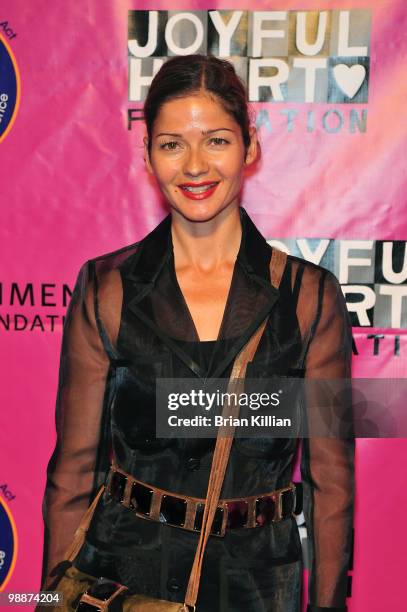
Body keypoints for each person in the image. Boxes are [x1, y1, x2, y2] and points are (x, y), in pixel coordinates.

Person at [40, 54, 354, 611]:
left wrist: (327, 605)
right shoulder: (108, 289)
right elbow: (73, 472)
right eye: (170, 144)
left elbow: (331, 485)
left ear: (249, 147)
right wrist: (49, 599)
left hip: (257, 585)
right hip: (122, 576)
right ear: (147, 155)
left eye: (215, 140)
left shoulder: (309, 296)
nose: (194, 166)